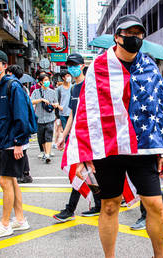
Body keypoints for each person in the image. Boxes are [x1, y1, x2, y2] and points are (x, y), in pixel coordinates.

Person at [61, 15, 163, 258]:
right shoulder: (98, 67)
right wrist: (83, 155)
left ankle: (159, 256)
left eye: (139, 34)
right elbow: (86, 112)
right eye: (128, 34)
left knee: (155, 205)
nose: (134, 38)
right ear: (117, 37)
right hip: (108, 148)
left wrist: (162, 152)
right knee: (109, 206)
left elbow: (159, 109)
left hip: (144, 147)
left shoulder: (149, 66)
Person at [0, 49, 33, 238]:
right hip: (3, 141)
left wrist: (19, 142)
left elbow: (21, 116)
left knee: (5, 181)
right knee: (11, 181)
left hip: (13, 141)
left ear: (4, 66)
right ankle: (19, 220)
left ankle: (4, 223)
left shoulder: (13, 86)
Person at [54, 53, 102, 222]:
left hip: (89, 136)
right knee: (87, 173)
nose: (72, 69)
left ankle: (70, 209)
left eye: (75, 65)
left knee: (80, 171)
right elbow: (73, 115)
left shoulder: (90, 85)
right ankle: (98, 205)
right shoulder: (74, 88)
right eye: (69, 66)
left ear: (82, 66)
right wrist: (63, 136)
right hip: (77, 135)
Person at [31, 73, 58, 163]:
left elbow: (56, 103)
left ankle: (47, 154)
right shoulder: (36, 92)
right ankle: (45, 152)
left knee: (49, 135)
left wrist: (54, 105)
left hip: (50, 117)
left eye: (48, 80)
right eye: (45, 80)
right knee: (41, 137)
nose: (47, 82)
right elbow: (31, 102)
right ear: (40, 82)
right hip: (39, 118)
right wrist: (41, 100)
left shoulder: (53, 92)